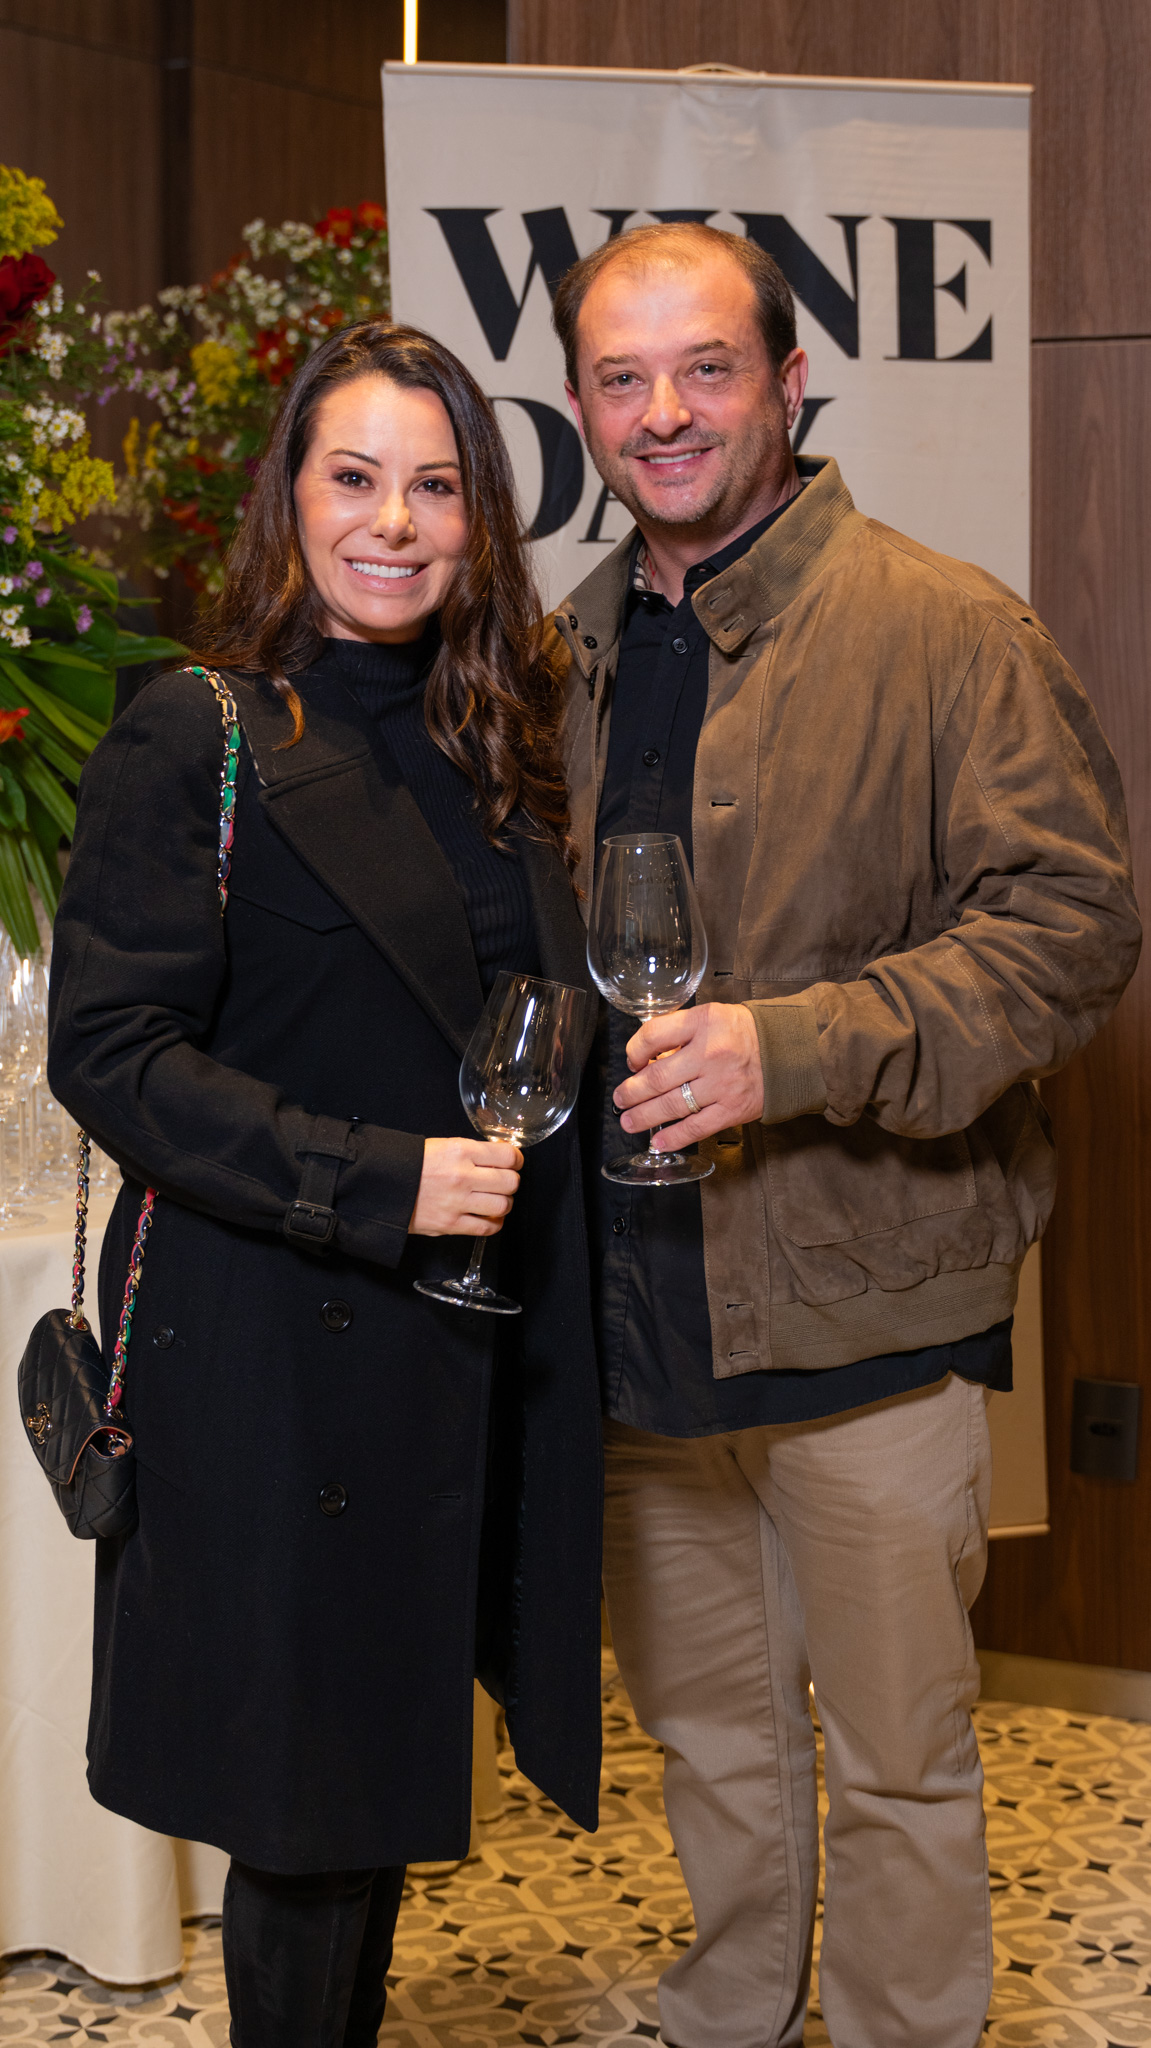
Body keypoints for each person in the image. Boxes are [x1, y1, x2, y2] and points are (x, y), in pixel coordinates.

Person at [546, 222, 1141, 2048]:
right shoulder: (561, 651)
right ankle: (730, 2013)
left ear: (790, 385)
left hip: (868, 1314)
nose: (664, 412)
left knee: (899, 1757)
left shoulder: (947, 627)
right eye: (622, 378)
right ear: (578, 405)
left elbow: (1073, 932)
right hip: (637, 1322)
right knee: (709, 1741)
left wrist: (791, 1052)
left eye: (706, 368)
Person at [47, 321, 602, 2047]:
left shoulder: (494, 737)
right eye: (354, 477)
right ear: (288, 497)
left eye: (435, 485)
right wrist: (376, 1180)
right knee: (302, 1816)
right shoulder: (193, 730)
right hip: (272, 1347)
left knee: (368, 1795)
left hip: (446, 1349)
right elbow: (112, 1055)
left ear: (480, 515)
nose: (394, 521)